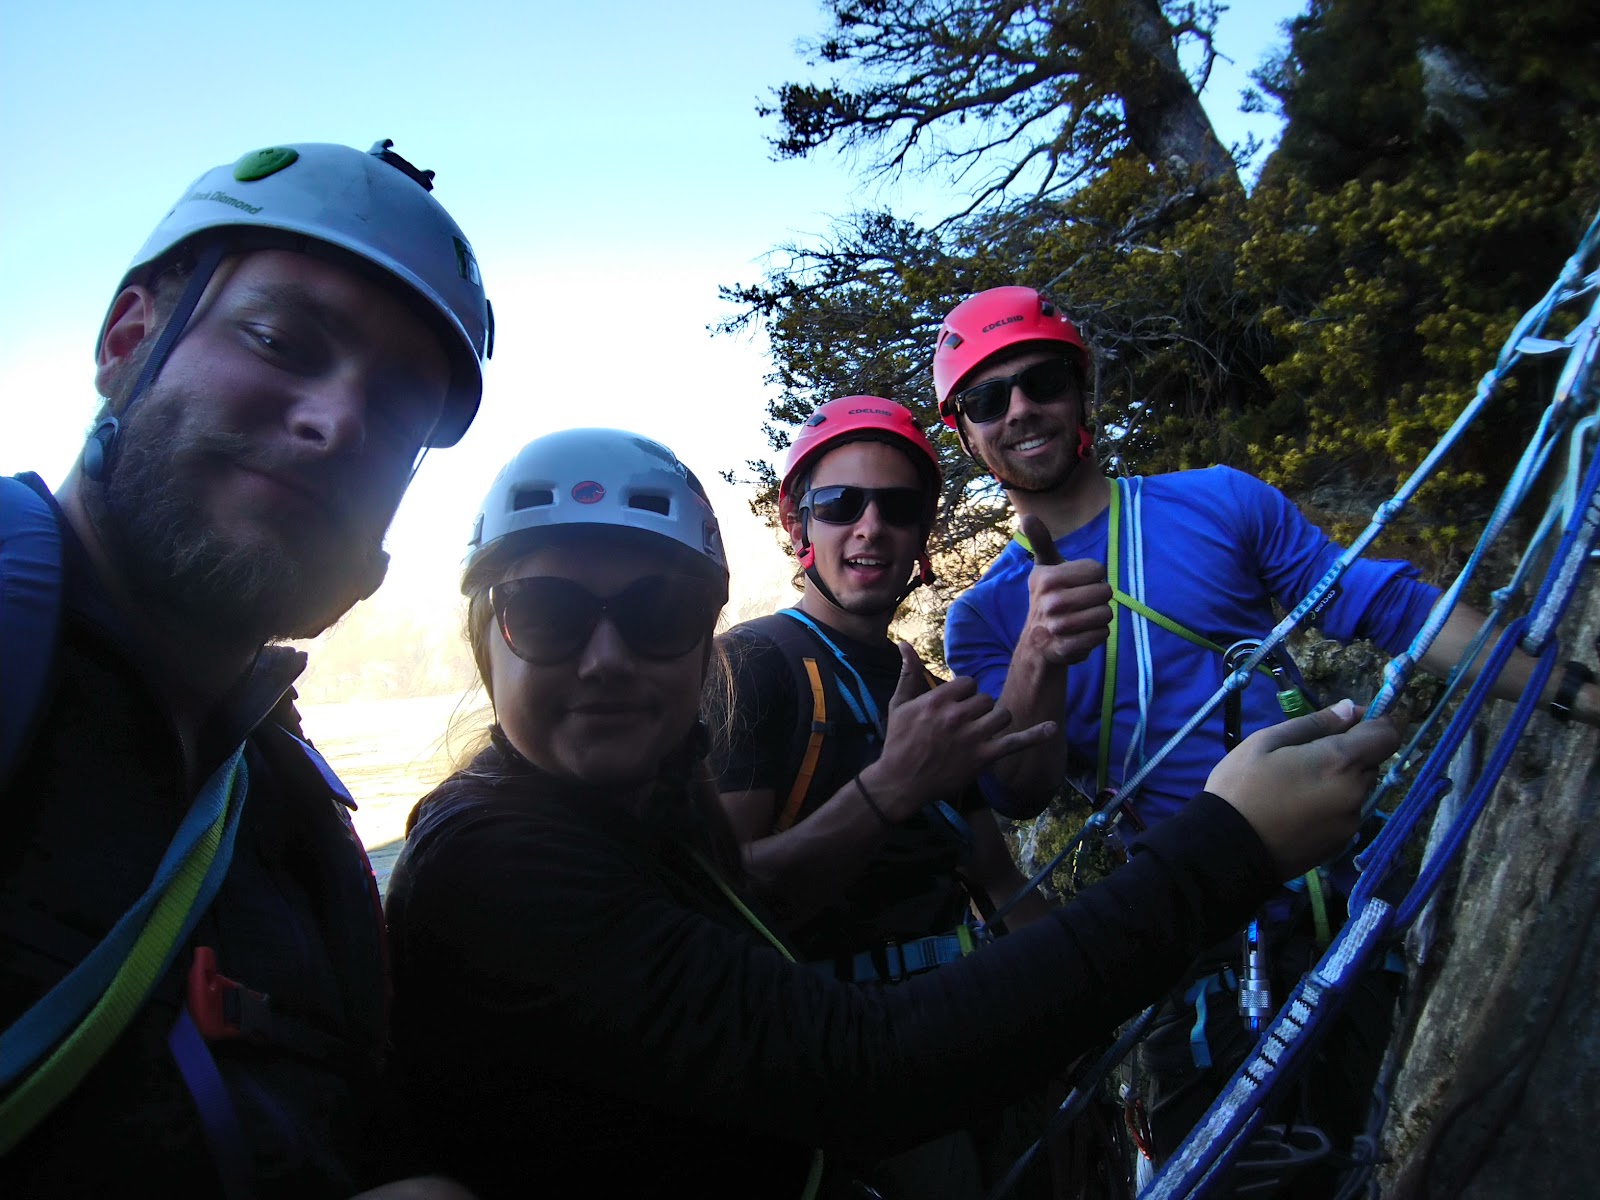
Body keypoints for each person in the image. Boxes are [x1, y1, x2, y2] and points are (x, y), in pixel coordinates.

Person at [383, 426, 1401, 1199]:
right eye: (548, 614)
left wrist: (1039, 667)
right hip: (893, 1093)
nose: (606, 660)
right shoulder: (498, 859)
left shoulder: (665, 787)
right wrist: (1223, 850)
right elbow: (857, 1063)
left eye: (656, 615)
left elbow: (1005, 822)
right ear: (485, 636)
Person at [932, 284, 1600, 1187]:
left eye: (1041, 380)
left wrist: (1569, 688)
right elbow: (1022, 790)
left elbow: (1384, 605)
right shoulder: (984, 617)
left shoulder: (1218, 502)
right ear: (966, 434)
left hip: (1341, 883)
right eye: (986, 399)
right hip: (1193, 921)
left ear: (1080, 390)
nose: (1019, 409)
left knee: (1404, 1142)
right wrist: (1038, 655)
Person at [0, 139, 491, 1199]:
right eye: (279, 341)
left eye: (399, 412)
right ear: (130, 338)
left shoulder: (288, 803)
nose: (339, 422)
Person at [715, 396, 1070, 1197]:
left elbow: (996, 878)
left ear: (922, 535)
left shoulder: (927, 690)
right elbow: (722, 901)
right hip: (844, 1068)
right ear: (800, 525)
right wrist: (892, 787)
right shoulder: (754, 667)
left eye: (898, 508)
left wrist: (1085, 992)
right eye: (841, 505)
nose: (870, 528)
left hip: (969, 1031)